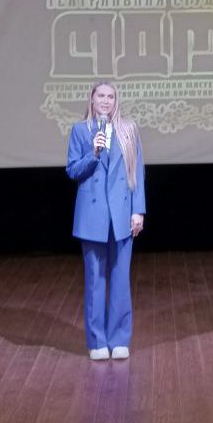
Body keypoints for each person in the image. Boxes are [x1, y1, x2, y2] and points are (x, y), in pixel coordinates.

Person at [66, 82, 145, 360]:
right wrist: (94, 153)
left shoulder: (129, 129)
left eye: (111, 96)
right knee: (95, 281)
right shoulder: (80, 130)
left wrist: (138, 210)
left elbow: (138, 172)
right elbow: (73, 170)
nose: (106, 101)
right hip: (92, 216)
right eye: (101, 95)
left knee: (121, 280)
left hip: (122, 214)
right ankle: (97, 341)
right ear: (92, 99)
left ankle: (120, 338)